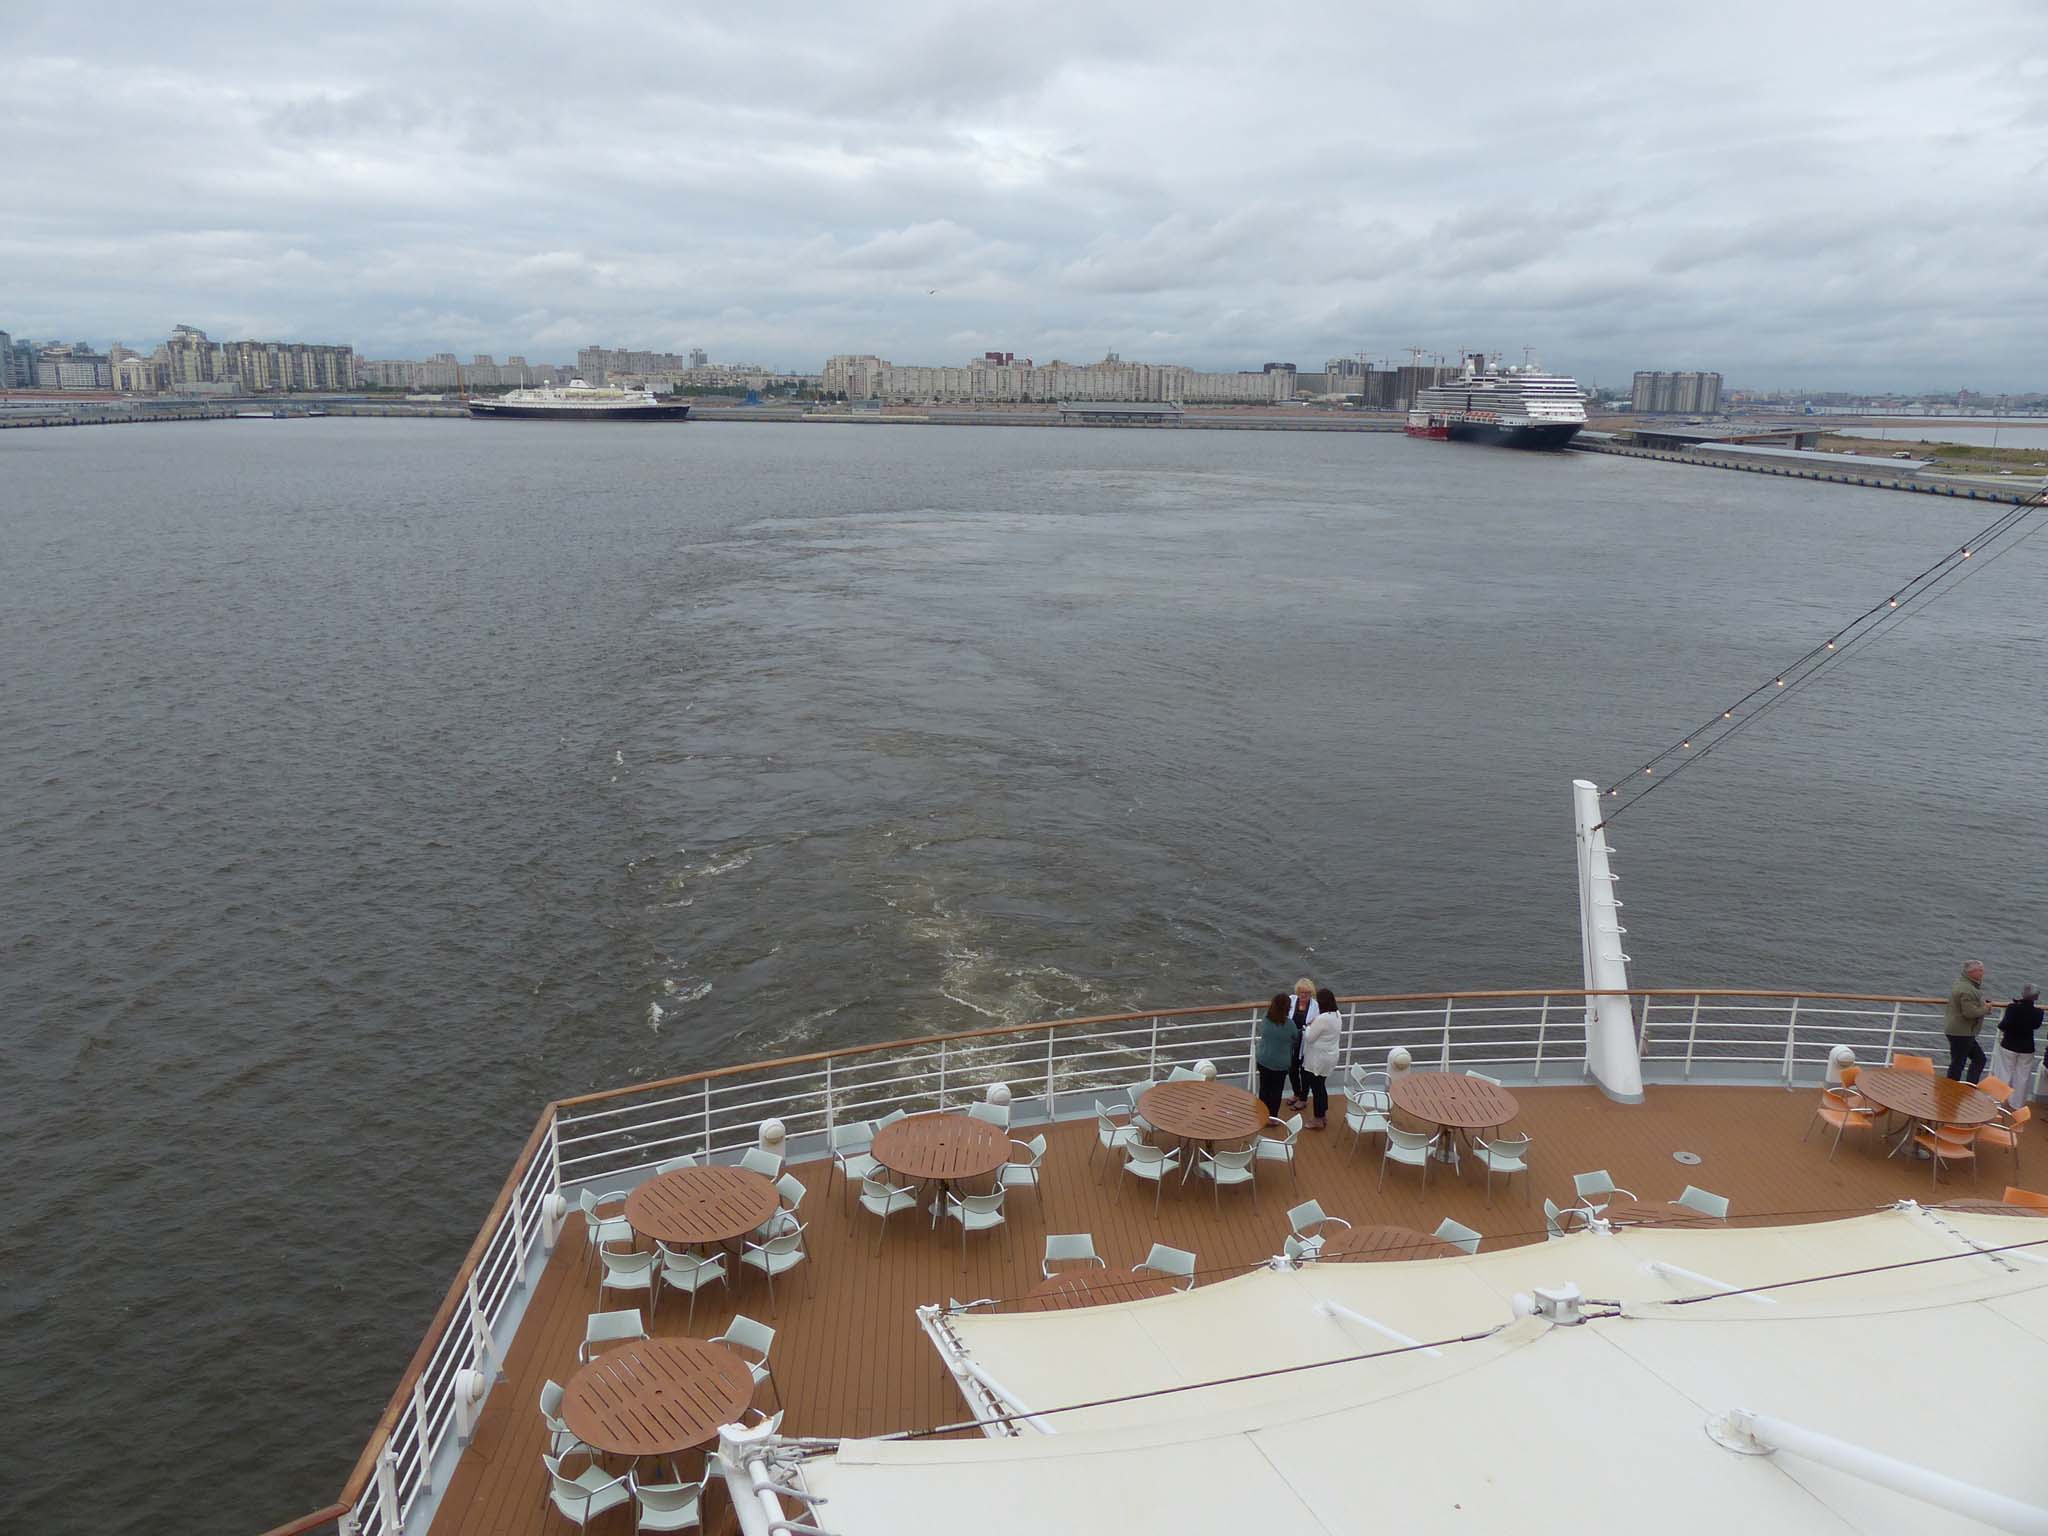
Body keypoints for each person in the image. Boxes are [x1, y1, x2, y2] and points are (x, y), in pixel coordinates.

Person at [1990, 984, 2042, 1110]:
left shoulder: (2013, 1008)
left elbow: (2003, 1025)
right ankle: (2017, 1104)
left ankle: (1996, 1101)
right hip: (2027, 1047)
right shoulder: (2038, 1012)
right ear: (2036, 997)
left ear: (2023, 994)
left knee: (2003, 1073)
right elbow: (2036, 1026)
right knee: (2022, 1076)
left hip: (2009, 1044)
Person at [1943, 960, 1994, 1083]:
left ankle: (1966, 1086)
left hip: (1959, 1030)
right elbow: (1969, 1013)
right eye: (1980, 970)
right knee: (1961, 1063)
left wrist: (1981, 1006)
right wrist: (1986, 1008)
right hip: (1962, 1032)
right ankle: (1957, 1087)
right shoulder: (1967, 989)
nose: (1983, 973)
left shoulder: (1962, 984)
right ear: (1971, 972)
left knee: (1967, 1060)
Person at [1299, 986, 1342, 1129]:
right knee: (1321, 1086)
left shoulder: (1322, 1019)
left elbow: (1310, 1038)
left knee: (1317, 1088)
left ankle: (1318, 1119)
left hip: (1318, 1059)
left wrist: (1307, 1027)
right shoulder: (1337, 1014)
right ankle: (1322, 1115)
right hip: (1330, 1056)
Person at [1255, 992, 1296, 1119]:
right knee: (1276, 1091)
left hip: (1264, 1059)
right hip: (1280, 1064)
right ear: (1287, 1008)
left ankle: (1262, 1115)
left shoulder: (1265, 1019)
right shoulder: (1290, 1025)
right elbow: (1295, 1036)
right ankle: (1272, 1117)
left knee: (1264, 1089)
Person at [1286, 977, 1318, 1109]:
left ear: (1311, 993)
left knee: (1305, 1070)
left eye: (1307, 993)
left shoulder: (1315, 1006)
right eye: (1301, 992)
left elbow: (1317, 1023)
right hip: (1292, 1040)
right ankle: (1296, 1093)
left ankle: (1303, 1098)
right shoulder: (1291, 1000)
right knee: (1291, 1068)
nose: (1304, 995)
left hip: (1306, 1041)